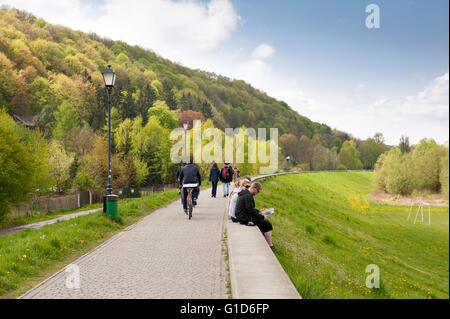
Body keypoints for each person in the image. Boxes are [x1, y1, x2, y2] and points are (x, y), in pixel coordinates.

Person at [235, 182, 275, 251]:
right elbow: (250, 211)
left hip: (242, 215)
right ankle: (270, 245)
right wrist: (262, 216)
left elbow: (249, 209)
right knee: (267, 224)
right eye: (258, 191)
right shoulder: (248, 196)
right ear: (254, 188)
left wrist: (258, 212)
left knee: (263, 223)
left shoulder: (245, 193)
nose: (257, 193)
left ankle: (267, 244)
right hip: (244, 218)